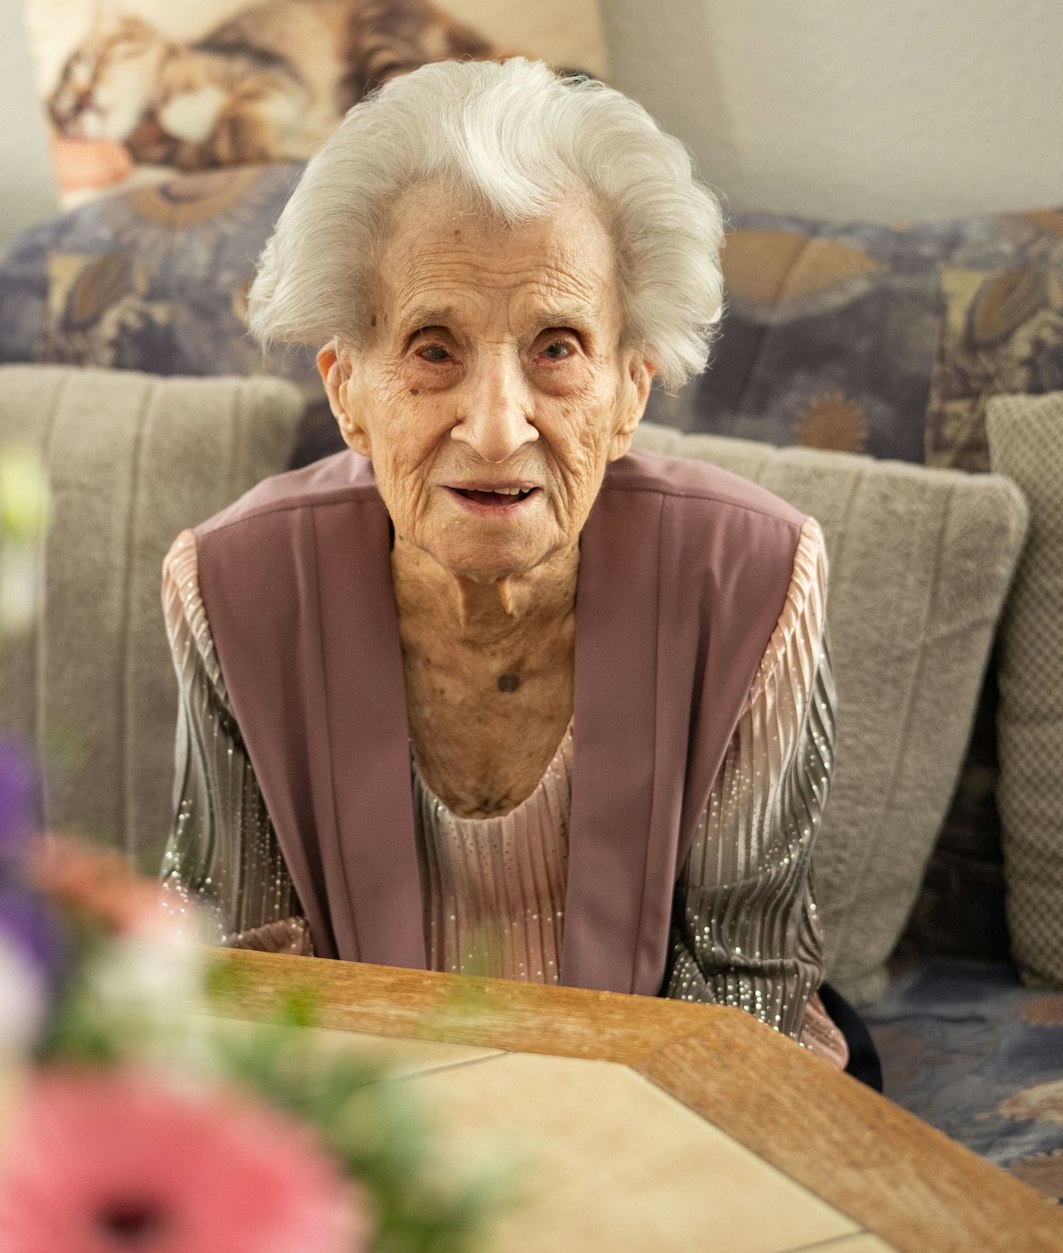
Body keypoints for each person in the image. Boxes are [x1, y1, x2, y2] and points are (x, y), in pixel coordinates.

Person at [160, 57, 876, 1079]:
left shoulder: (755, 581)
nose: (497, 432)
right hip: (376, 1108)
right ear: (346, 388)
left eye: (555, 346)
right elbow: (235, 980)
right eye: (433, 347)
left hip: (679, 1093)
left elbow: (741, 986)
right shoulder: (228, 590)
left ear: (630, 388)